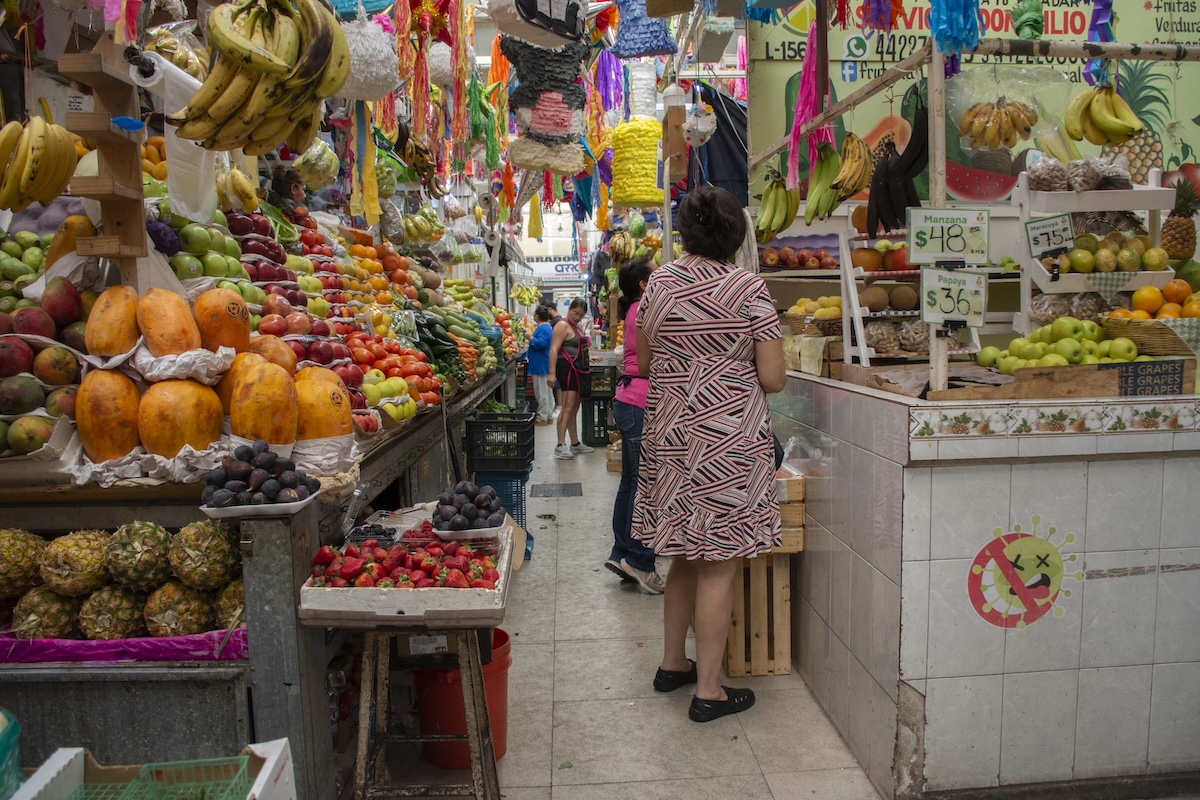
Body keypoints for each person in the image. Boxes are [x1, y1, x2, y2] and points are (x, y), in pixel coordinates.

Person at [632, 185, 785, 723]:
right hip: (728, 444)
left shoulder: (658, 286)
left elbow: (646, 364)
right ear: (735, 233)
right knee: (719, 566)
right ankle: (709, 691)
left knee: (683, 560)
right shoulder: (749, 289)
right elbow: (772, 377)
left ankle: (672, 664)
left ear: (687, 230)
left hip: (671, 438)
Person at [606, 258, 665, 594]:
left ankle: (622, 552)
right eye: (655, 272)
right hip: (641, 401)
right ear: (644, 284)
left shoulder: (633, 309)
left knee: (630, 482)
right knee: (646, 486)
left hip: (628, 399)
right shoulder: (647, 307)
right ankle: (641, 560)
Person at [546, 298, 593, 459]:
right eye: (575, 313)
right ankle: (560, 445)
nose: (577, 317)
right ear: (569, 309)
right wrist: (551, 373)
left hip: (578, 370)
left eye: (581, 315)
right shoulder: (562, 325)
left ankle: (575, 443)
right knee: (567, 406)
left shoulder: (577, 326)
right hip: (567, 370)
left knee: (574, 407)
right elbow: (553, 349)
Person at [527, 307, 555, 425]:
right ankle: (548, 415)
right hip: (544, 363)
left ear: (537, 316)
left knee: (541, 391)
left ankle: (543, 416)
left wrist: (530, 338)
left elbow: (541, 343)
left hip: (540, 364)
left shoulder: (542, 328)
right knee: (547, 391)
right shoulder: (548, 327)